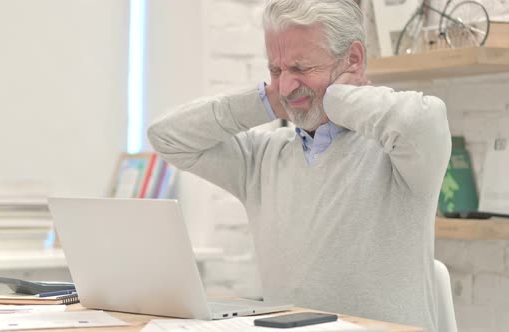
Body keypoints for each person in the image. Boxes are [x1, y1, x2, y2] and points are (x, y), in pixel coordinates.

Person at [147, 0, 451, 331]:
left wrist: (337, 99)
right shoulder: (261, 159)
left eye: (301, 68)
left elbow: (424, 119)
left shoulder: (400, 156)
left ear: (353, 59)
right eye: (276, 70)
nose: (287, 86)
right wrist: (265, 101)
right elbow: (167, 136)